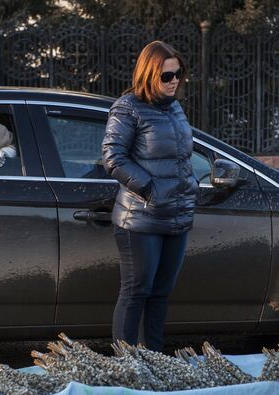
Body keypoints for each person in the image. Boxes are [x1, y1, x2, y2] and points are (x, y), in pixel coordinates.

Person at [101, 40, 198, 351]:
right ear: (148, 74)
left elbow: (181, 157)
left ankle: (153, 360)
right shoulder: (128, 107)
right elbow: (113, 157)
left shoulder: (175, 108)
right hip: (140, 218)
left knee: (161, 293)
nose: (173, 82)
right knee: (136, 291)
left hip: (177, 215)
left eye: (177, 74)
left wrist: (190, 186)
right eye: (166, 77)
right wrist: (151, 189)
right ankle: (126, 366)